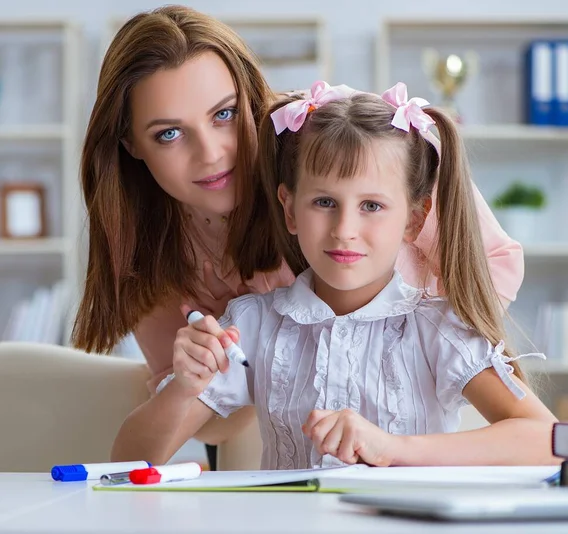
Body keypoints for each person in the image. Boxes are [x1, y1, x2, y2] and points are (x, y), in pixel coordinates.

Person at [72, 6, 524, 465]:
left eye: (224, 114)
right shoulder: (171, 267)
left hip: (428, 426)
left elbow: (490, 264)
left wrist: (400, 343)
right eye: (169, 133)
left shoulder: (326, 135)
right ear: (131, 146)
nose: (210, 154)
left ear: (249, 100)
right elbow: (192, 423)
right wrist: (217, 374)